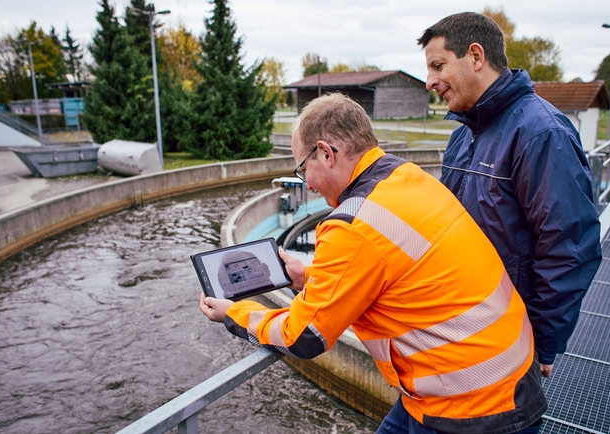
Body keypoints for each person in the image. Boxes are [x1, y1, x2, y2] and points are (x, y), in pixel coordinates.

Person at [201, 93, 547, 434]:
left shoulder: (353, 224)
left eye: (303, 168)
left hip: (471, 404)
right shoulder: (406, 177)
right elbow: (391, 268)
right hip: (497, 373)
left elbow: (304, 336)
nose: (306, 182)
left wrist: (234, 314)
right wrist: (306, 277)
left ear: (325, 153)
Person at [418, 12, 603, 377]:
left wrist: (542, 342)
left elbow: (569, 245)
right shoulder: (463, 134)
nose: (429, 82)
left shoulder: (541, 133)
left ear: (475, 56)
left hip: (508, 341)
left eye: (438, 66)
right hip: (458, 327)